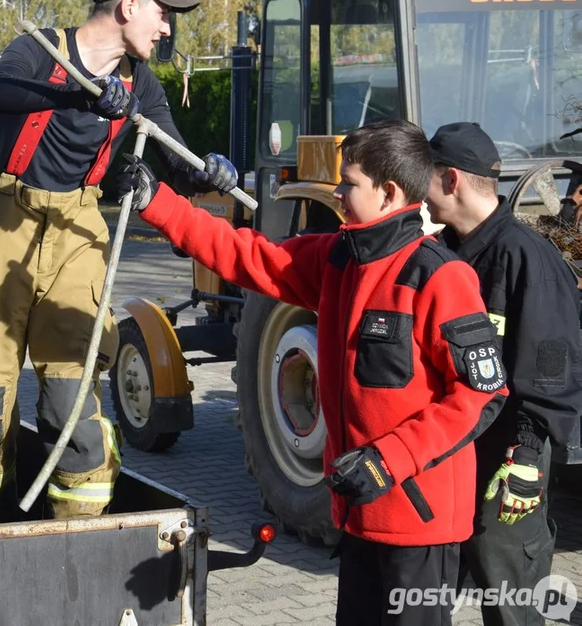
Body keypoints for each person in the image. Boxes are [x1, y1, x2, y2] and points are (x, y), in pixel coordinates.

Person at [116, 119, 508, 625]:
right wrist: (160, 204)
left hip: (417, 528)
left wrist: (387, 461)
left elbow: (481, 396)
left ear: (389, 193)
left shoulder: (440, 277)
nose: (339, 193)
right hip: (359, 516)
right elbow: (247, 256)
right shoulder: (339, 261)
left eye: (349, 183)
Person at [0, 0, 233, 523]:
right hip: (5, 219)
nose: (167, 27)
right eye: (161, 13)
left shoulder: (140, 82)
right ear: (129, 6)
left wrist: (208, 174)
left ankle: (77, 533)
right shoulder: (41, 50)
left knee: (71, 394)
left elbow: (173, 157)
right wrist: (78, 95)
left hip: (79, 230)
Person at [425, 122, 582, 626]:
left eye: (423, 176)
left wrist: (527, 462)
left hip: (506, 458)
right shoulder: (438, 255)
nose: (414, 187)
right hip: (447, 454)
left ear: (451, 179)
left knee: (507, 589)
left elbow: (550, 373)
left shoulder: (526, 258)